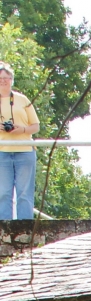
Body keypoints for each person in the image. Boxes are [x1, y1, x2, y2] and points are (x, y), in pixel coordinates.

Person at [0, 63, 39, 220]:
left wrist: (21, 129)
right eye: (0, 78)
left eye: (6, 78)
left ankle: (26, 228)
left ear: (11, 80)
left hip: (25, 151)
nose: (3, 81)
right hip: (2, 152)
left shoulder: (22, 99)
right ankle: (4, 229)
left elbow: (36, 126)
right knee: (3, 193)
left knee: (24, 193)